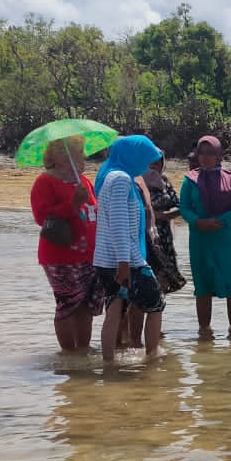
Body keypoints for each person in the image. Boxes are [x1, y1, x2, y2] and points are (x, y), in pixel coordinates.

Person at [92, 135, 165, 363]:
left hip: (106, 259)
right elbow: (119, 224)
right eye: (145, 158)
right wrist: (124, 263)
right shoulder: (121, 179)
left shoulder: (110, 175)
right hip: (126, 260)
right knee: (155, 304)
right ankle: (153, 357)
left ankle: (108, 362)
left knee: (114, 308)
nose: (148, 165)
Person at [30, 136, 102, 353]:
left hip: (89, 254)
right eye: (78, 152)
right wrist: (72, 204)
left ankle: (83, 350)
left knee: (86, 307)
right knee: (68, 305)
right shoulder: (45, 182)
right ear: (60, 157)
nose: (83, 157)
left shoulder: (84, 181)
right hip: (61, 255)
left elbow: (93, 212)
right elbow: (42, 217)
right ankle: (69, 355)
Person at [180, 135, 231, 336]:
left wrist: (221, 220)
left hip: (227, 241)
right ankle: (205, 333)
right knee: (202, 287)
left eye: (211, 153)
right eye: (202, 152)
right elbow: (184, 208)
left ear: (219, 155)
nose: (206, 157)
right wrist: (198, 221)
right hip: (201, 240)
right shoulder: (189, 180)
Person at [141, 157, 188, 297]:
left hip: (164, 238)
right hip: (145, 239)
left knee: (162, 285)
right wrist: (149, 214)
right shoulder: (137, 182)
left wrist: (163, 215)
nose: (155, 165)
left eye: (159, 162)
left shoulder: (165, 182)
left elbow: (180, 206)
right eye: (152, 161)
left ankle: (157, 317)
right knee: (145, 285)